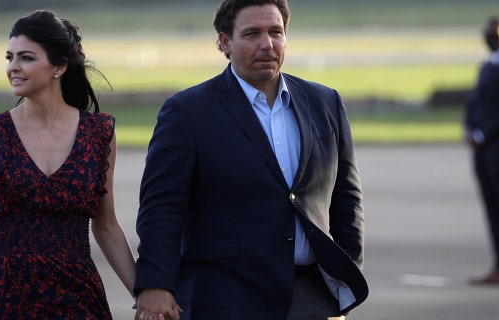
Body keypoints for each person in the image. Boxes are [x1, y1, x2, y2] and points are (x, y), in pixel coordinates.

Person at [133, 1, 368, 319]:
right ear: (225, 42)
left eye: (275, 32)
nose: (267, 44)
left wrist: (346, 270)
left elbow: (347, 200)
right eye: (252, 33)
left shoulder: (325, 102)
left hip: (313, 297)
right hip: (225, 298)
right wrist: (156, 284)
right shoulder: (187, 112)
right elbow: (161, 209)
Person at [0, 10, 136, 319]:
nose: (13, 67)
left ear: (59, 66)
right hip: (5, 297)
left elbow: (106, 225)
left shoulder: (98, 133)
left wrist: (144, 293)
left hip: (79, 295)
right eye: (10, 57)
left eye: (26, 58)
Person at [464, 16, 499, 289]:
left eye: (496, 34)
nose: (492, 39)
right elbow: (475, 103)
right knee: (493, 208)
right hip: (483, 151)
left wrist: (484, 133)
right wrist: (469, 130)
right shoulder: (487, 65)